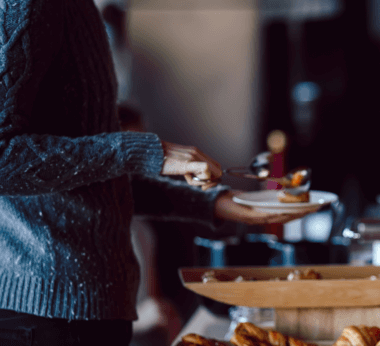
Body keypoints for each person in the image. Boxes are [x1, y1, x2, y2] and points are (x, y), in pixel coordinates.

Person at [0, 0, 305, 345]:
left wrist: (214, 203)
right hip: (45, 315)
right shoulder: (26, 6)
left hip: (94, 309)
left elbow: (95, 184)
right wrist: (144, 152)